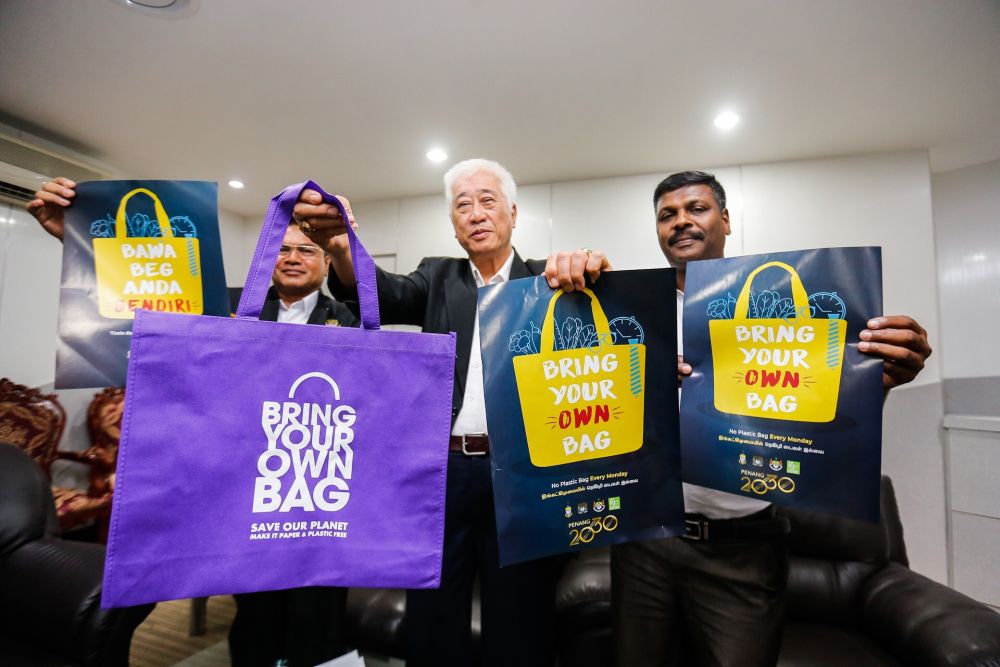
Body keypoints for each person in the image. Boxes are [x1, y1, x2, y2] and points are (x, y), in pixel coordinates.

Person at [292, 158, 608, 667]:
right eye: (463, 204)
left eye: (487, 200)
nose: (476, 213)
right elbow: (382, 296)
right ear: (454, 223)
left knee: (519, 619)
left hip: (521, 477)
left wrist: (590, 265)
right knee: (433, 615)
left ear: (512, 213)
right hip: (445, 472)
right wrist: (342, 248)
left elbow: (603, 333)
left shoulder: (549, 283)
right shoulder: (438, 277)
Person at [609, 171, 933, 667]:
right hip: (644, 541)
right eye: (667, 215)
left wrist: (877, 381)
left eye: (696, 208)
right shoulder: (631, 313)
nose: (681, 222)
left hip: (742, 549)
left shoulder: (777, 308)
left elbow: (825, 415)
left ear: (726, 220)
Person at [28, 180, 356, 667]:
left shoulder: (352, 320)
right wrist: (71, 235)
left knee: (317, 610)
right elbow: (142, 288)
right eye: (283, 248)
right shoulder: (220, 304)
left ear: (327, 263)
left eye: (306, 250)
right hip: (244, 484)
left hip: (319, 487)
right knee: (256, 608)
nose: (292, 257)